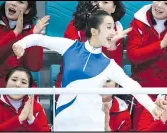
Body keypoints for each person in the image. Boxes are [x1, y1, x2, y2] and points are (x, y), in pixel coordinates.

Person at [12, 10, 158, 131]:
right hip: (64, 123)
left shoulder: (109, 64)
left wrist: (152, 107)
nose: (113, 32)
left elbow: (132, 85)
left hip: (93, 125)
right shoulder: (70, 47)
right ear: (94, 31)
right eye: (108, 27)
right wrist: (20, 44)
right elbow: (40, 39)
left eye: (113, 27)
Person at [125, 1, 167, 130]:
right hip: (143, 88)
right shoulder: (137, 23)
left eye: (166, 3)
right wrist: (161, 44)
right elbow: (133, 56)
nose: (159, 5)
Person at [0, 1, 48, 103]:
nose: (14, 3)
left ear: (27, 10)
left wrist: (34, 36)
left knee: (32, 105)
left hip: (20, 87)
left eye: (20, 2)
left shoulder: (31, 30)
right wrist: (15, 33)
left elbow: (34, 66)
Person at [55, 1, 126, 88]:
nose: (99, 5)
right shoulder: (75, 26)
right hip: (74, 85)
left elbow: (113, 71)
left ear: (114, 8)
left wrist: (111, 47)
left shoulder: (117, 30)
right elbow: (74, 64)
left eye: (105, 2)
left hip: (105, 88)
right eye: (95, 1)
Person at [0, 67, 50, 132]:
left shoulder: (36, 107)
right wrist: (19, 119)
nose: (17, 85)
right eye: (14, 80)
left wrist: (31, 120)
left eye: (23, 82)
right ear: (6, 83)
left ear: (29, 88)